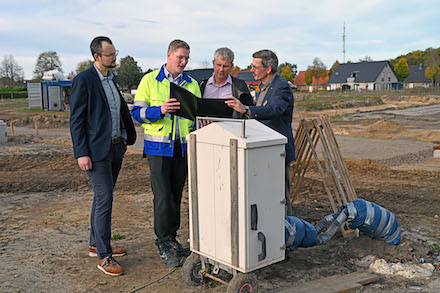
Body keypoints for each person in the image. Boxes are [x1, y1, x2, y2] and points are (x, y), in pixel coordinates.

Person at [131, 40, 201, 268]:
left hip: (183, 149)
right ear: (169, 55)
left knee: (176, 196)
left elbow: (199, 115)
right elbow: (136, 113)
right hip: (158, 150)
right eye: (180, 57)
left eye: (187, 58)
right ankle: (163, 243)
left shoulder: (191, 84)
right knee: (162, 198)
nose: (184, 62)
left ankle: (172, 239)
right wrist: (159, 110)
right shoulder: (150, 80)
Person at [69, 36, 136, 276]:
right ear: (97, 57)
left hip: (116, 148)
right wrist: (81, 153)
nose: (115, 57)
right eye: (110, 54)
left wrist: (128, 136)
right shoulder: (84, 80)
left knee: (101, 198)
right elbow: (76, 120)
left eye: (115, 52)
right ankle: (104, 256)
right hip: (95, 152)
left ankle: (95, 244)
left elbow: (118, 110)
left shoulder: (112, 79)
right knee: (105, 198)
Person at [225, 49, 295, 214]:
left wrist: (247, 109)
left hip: (278, 151)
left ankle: (288, 231)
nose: (252, 70)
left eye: (255, 67)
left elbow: (274, 109)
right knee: (268, 194)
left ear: (268, 69)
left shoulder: (281, 87)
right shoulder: (264, 87)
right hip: (265, 149)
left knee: (280, 197)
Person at [199, 47, 254, 118]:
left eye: (225, 66)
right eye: (218, 65)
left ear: (231, 66)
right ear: (213, 63)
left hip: (232, 128)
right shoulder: (201, 85)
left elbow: (250, 112)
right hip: (205, 128)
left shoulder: (240, 86)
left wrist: (243, 109)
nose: (221, 69)